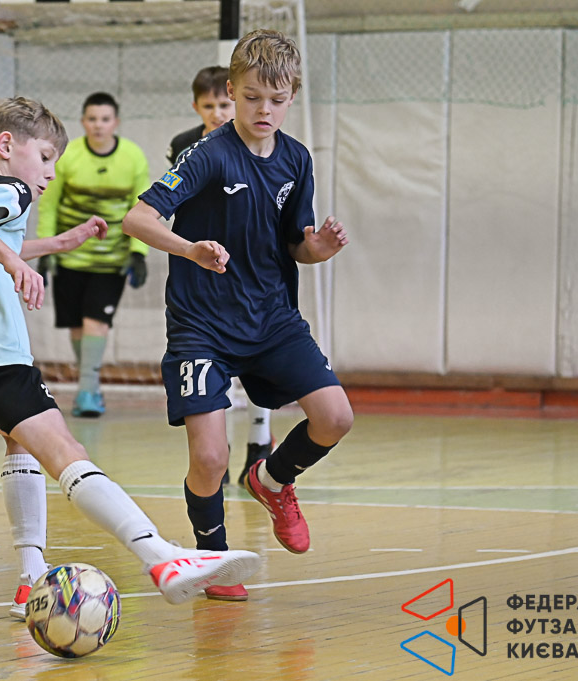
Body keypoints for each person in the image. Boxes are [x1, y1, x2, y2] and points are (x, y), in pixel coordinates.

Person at [0, 96, 260, 619]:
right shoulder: (9, 188)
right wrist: (14, 263)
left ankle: (30, 580)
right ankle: (160, 556)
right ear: (6, 145)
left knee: (20, 442)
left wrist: (56, 244)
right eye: (45, 157)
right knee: (66, 450)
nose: (50, 173)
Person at [122, 30, 353, 603]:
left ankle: (271, 480)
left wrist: (317, 249)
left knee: (335, 417)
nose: (263, 109)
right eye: (251, 97)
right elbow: (138, 219)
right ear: (231, 91)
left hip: (272, 318)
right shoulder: (208, 154)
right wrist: (189, 249)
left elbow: (295, 243)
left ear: (292, 96)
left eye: (276, 99)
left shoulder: (296, 159)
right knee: (209, 456)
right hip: (202, 324)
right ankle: (215, 559)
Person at [167, 65, 276, 489]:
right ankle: (220, 448)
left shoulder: (263, 143)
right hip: (205, 265)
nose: (217, 113)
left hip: (252, 264)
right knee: (215, 360)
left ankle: (260, 439)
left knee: (258, 354)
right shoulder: (186, 146)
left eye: (223, 105)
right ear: (196, 107)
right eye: (208, 106)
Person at [36, 92, 150, 418]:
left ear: (116, 122)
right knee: (76, 326)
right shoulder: (68, 156)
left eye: (105, 119)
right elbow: (49, 205)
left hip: (111, 261)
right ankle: (91, 385)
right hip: (70, 257)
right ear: (83, 122)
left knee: (95, 322)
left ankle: (87, 390)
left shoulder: (132, 157)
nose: (98, 125)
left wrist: (138, 252)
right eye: (92, 119)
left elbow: (142, 207)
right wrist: (46, 249)